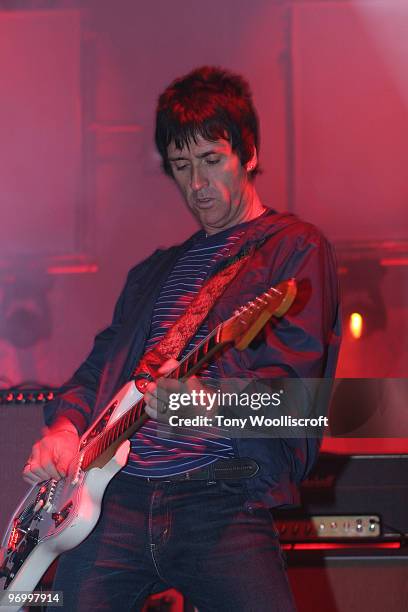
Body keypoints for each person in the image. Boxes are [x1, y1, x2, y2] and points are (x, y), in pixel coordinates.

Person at [22, 66, 341, 611]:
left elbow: (298, 399)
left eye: (211, 161)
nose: (196, 184)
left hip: (219, 496)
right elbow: (97, 372)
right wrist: (64, 427)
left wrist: (207, 406)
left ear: (250, 154)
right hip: (113, 497)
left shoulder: (293, 249)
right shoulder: (152, 273)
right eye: (180, 166)